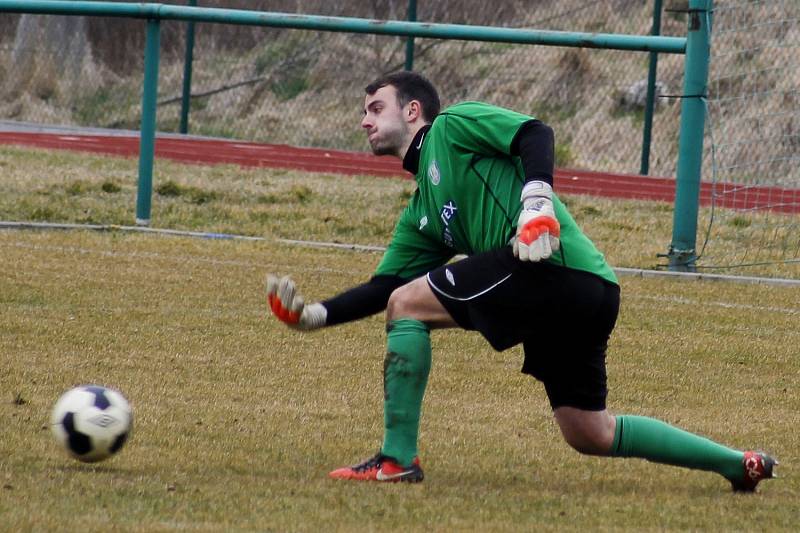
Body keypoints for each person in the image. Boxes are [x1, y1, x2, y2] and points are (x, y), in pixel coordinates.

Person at [265, 71, 776, 491]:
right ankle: (738, 463)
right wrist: (316, 315)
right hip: (593, 289)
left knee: (409, 305)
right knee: (588, 432)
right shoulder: (422, 210)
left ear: (414, 111)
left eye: (376, 108)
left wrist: (536, 203)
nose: (364, 121)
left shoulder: (454, 125)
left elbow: (535, 134)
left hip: (550, 266)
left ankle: (396, 460)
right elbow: (383, 287)